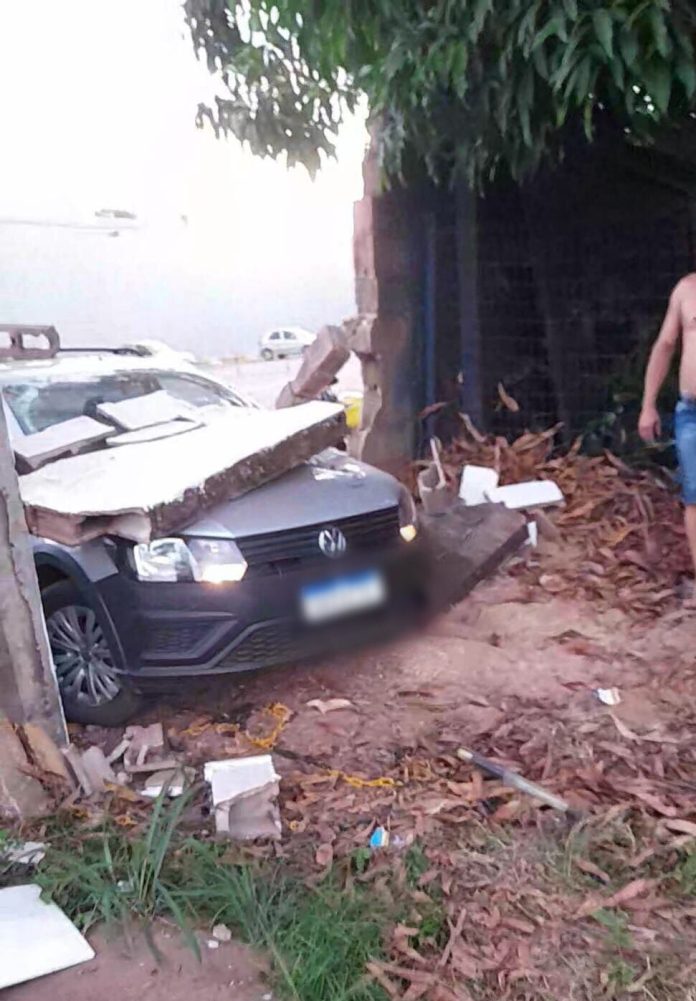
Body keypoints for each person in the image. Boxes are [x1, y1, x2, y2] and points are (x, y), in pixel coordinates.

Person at [639, 273, 696, 585]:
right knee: (694, 498)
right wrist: (648, 405)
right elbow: (664, 345)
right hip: (692, 412)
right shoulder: (686, 289)